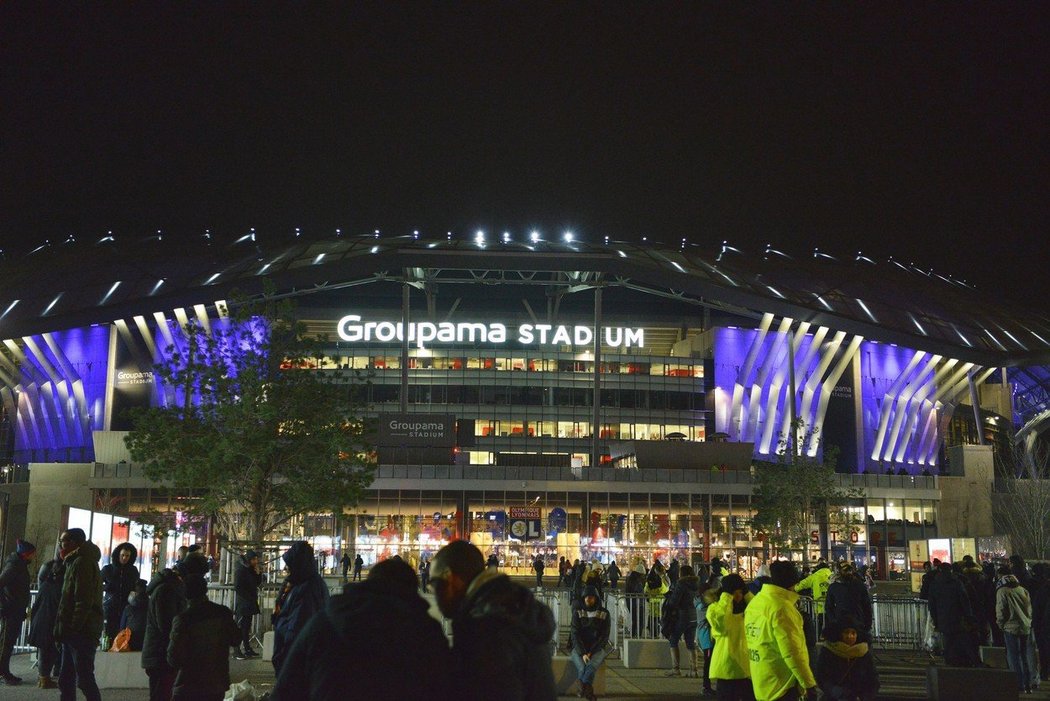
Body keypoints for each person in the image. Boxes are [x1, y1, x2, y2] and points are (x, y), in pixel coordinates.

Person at [271, 556, 452, 700]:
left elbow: (287, 689)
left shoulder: (325, 622)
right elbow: (444, 688)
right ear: (411, 590)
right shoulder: (425, 631)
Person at [429, 540, 557, 700]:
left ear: (450, 578)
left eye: (434, 584)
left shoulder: (485, 626)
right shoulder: (517, 609)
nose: (434, 593)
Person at [745, 560, 818, 701]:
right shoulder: (782, 608)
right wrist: (808, 684)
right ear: (793, 584)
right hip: (782, 683)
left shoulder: (757, 601)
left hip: (761, 678)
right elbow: (792, 652)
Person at [167, 572, 240, 701]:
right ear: (205, 590)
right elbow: (236, 639)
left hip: (188, 683)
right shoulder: (223, 613)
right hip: (216, 682)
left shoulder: (183, 619)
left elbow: (173, 658)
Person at [143, 554, 202, 701]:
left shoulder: (171, 587)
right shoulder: (166, 590)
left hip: (163, 652)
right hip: (161, 654)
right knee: (161, 694)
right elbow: (167, 625)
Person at [54, 528, 103, 701]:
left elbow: (83, 600)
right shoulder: (73, 561)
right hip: (75, 630)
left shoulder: (82, 562)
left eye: (64, 540)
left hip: (82, 631)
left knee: (84, 678)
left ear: (74, 543)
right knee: (66, 678)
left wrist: (73, 628)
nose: (61, 544)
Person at [271, 540, 329, 674]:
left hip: (296, 662)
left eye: (289, 565)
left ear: (297, 565)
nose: (287, 569)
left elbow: (296, 628)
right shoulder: (298, 583)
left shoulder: (307, 588)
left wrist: (284, 657)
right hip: (294, 658)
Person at [707, 573, 755, 700]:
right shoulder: (714, 609)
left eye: (740, 592)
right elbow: (722, 623)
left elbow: (758, 610)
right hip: (727, 670)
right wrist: (727, 597)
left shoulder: (749, 610)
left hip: (749, 669)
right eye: (733, 592)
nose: (737, 596)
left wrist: (747, 593)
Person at [814, 615, 880, 701]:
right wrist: (835, 691)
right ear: (839, 634)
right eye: (846, 632)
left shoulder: (863, 652)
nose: (850, 636)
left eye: (853, 633)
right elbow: (822, 676)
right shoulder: (829, 651)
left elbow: (873, 678)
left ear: (858, 634)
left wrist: (866, 696)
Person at [927, 561, 979, 667]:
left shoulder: (935, 584)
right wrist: (969, 617)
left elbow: (932, 605)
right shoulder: (956, 582)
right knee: (962, 641)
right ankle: (963, 664)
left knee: (948, 643)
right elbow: (964, 601)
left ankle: (949, 665)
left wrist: (936, 620)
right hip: (958, 618)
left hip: (943, 619)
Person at [0, 538, 35, 685]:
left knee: (7, 642)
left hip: (14, 608)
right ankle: (4, 671)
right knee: (6, 642)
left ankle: (4, 670)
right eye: (32, 553)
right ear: (26, 554)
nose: (33, 556)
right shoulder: (14, 566)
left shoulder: (17, 565)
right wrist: (5, 604)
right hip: (12, 610)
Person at [570, 585, 611, 701]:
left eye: (592, 597)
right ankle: (588, 691)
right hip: (579, 649)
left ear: (596, 598)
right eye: (586, 597)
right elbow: (575, 634)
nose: (589, 599)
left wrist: (591, 652)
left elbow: (604, 636)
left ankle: (581, 688)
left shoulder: (604, 613)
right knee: (583, 668)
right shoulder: (578, 613)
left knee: (591, 666)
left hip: (597, 649)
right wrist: (583, 653)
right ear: (583, 598)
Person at [29, 555, 63, 688]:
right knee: (52, 650)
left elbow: (36, 605)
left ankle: (43, 677)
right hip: (51, 621)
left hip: (41, 620)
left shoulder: (45, 586)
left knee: (43, 650)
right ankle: (44, 677)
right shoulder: (60, 589)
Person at [997, 571, 1034, 694]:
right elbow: (1029, 609)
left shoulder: (1002, 592)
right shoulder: (1023, 590)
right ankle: (1028, 684)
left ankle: (1019, 684)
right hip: (1025, 626)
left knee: (1014, 657)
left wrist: (1000, 624)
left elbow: (1001, 610)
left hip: (1010, 627)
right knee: (1024, 656)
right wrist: (1028, 622)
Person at [663, 564, 701, 677]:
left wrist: (669, 600)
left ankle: (676, 668)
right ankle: (694, 670)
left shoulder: (681, 584)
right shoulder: (697, 584)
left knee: (673, 639)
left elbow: (674, 601)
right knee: (690, 642)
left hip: (682, 615)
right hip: (694, 616)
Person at [101, 542, 140, 647]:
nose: (124, 558)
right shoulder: (108, 569)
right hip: (110, 605)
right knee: (109, 631)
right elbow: (96, 584)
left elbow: (136, 586)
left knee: (122, 631)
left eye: (127, 556)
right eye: (122, 555)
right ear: (118, 554)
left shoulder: (133, 570)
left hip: (125, 606)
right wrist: (106, 587)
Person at [825, 562, 873, 639]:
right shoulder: (834, 587)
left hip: (858, 624)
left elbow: (867, 606)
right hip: (841, 624)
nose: (849, 573)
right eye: (845, 571)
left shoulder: (860, 586)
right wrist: (834, 621)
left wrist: (868, 625)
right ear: (839, 571)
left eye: (850, 570)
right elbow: (829, 607)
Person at [232, 549, 262, 659]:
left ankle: (247, 648)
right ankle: (236, 650)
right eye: (254, 559)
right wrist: (248, 598)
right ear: (249, 560)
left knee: (246, 627)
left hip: (249, 601)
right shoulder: (241, 570)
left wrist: (258, 573)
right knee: (241, 626)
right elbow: (238, 587)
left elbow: (257, 583)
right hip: (244, 602)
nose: (256, 561)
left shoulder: (250, 569)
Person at [795, 560, 832, 632]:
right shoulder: (832, 576)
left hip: (819, 607)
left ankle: (817, 638)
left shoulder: (814, 576)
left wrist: (793, 588)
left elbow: (801, 585)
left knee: (818, 625)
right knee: (831, 626)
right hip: (831, 606)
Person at [695, 584, 718, 697]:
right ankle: (706, 687)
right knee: (707, 663)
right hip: (707, 638)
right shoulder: (703, 607)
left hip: (707, 637)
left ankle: (707, 686)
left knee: (708, 662)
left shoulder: (702, 604)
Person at [120, 579, 149, 651]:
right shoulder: (151, 607)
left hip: (130, 641)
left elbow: (122, 626)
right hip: (146, 641)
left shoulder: (128, 608)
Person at [625, 563, 646, 637]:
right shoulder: (636, 580)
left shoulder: (631, 578)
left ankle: (634, 634)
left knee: (635, 619)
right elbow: (637, 591)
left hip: (632, 602)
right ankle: (637, 635)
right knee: (639, 620)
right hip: (637, 603)